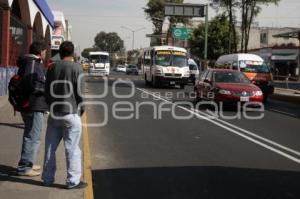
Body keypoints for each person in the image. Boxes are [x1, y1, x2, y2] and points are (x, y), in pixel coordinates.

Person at [42, 41, 87, 189]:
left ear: (60, 53)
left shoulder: (52, 67)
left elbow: (47, 91)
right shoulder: (76, 68)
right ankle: (72, 181)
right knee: (72, 148)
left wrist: (50, 105)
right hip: (70, 113)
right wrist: (82, 109)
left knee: (50, 148)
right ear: (73, 53)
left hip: (54, 114)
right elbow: (80, 93)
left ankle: (47, 179)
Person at [16, 40, 48, 176]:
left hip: (30, 105)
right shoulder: (33, 63)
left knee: (31, 135)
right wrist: (45, 89)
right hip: (33, 106)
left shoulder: (29, 62)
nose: (45, 54)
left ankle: (28, 163)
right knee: (32, 137)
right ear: (41, 52)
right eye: (45, 52)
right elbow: (30, 84)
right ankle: (24, 168)